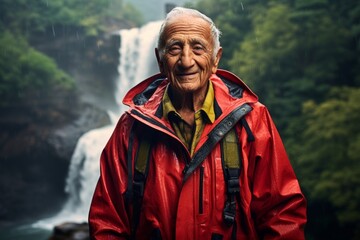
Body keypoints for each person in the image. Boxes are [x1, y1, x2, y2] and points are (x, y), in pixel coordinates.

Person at [89, 7, 307, 240]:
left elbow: (282, 216)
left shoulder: (252, 120)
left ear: (215, 59)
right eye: (174, 48)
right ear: (160, 61)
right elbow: (108, 223)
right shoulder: (129, 128)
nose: (186, 60)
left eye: (198, 48)